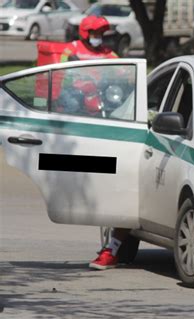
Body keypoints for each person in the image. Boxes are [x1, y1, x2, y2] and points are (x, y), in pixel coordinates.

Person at [58, 15, 130, 270]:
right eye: (97, 33)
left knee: (117, 185)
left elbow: (125, 75)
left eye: (103, 33)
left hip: (107, 116)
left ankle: (113, 247)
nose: (101, 37)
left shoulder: (109, 53)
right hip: (79, 115)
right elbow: (62, 77)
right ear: (85, 33)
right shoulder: (72, 50)